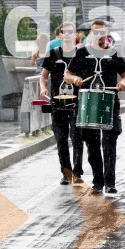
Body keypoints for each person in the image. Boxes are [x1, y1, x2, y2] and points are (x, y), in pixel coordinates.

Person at [64, 20, 125, 194]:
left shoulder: (114, 53)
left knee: (109, 143)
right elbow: (67, 75)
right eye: (96, 32)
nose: (100, 36)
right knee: (92, 144)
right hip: (87, 103)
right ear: (91, 34)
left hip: (110, 102)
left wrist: (123, 83)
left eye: (103, 32)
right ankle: (98, 181)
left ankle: (110, 182)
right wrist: (75, 80)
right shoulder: (81, 53)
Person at [39, 23, 84, 185]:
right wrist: (43, 87)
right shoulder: (52, 54)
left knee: (77, 138)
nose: (67, 35)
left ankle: (77, 172)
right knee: (61, 139)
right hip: (57, 103)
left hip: (77, 102)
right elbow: (43, 76)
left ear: (75, 36)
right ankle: (66, 172)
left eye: (70, 32)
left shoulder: (82, 54)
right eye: (64, 32)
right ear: (59, 35)